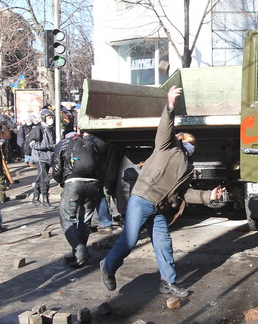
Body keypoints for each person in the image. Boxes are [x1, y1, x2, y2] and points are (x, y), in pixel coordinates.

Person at [100, 86, 226, 297]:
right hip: (142, 199)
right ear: (181, 139)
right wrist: (170, 106)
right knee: (129, 240)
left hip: (159, 208)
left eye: (194, 143)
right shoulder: (167, 146)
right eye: (189, 140)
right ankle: (108, 266)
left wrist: (208, 196)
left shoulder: (187, 167)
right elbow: (165, 127)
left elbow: (185, 194)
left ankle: (168, 281)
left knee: (163, 243)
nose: (192, 144)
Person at [53, 131, 103, 268]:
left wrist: (61, 181)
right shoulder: (91, 144)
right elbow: (99, 164)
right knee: (85, 219)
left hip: (73, 183)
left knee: (67, 218)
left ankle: (80, 252)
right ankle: (79, 254)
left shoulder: (63, 144)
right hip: (93, 183)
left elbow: (57, 169)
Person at [29, 109, 57, 207]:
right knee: (45, 179)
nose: (51, 120)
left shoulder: (51, 129)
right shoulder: (38, 129)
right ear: (43, 118)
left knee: (40, 178)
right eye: (49, 118)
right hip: (40, 158)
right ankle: (45, 200)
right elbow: (33, 144)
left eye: (52, 118)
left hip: (48, 158)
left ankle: (35, 198)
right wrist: (49, 146)